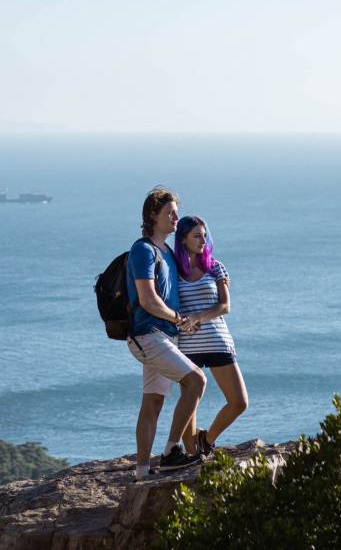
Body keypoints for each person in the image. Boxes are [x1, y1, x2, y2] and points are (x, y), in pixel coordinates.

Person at [126, 187, 207, 480]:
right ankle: (172, 451)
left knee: (153, 401)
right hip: (149, 335)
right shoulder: (143, 250)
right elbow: (147, 299)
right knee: (196, 380)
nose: (176, 217)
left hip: (164, 335)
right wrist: (178, 318)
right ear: (152, 215)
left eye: (176, 212)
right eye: (169, 212)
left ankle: (142, 470)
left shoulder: (168, 253)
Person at [174, 215, 248, 457]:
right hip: (187, 345)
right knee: (189, 406)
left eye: (204, 235)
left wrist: (198, 317)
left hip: (218, 341)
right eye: (196, 235)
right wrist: (180, 320)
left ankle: (207, 439)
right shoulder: (172, 270)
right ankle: (192, 453)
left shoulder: (215, 266)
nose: (202, 240)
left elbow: (225, 306)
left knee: (239, 402)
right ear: (183, 239)